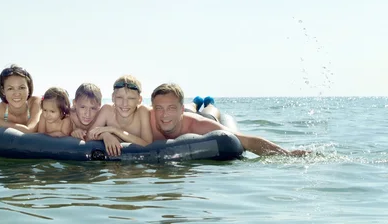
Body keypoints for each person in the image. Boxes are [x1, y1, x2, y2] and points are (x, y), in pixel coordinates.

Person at [149, 83, 309, 156]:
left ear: (180, 110)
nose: (164, 115)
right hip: (185, 113)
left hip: (198, 119)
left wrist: (287, 154)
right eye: (159, 108)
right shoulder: (146, 120)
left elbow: (246, 141)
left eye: (171, 108)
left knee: (209, 113)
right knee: (183, 110)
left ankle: (208, 103)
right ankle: (195, 102)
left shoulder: (198, 124)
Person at [87, 75, 153, 156]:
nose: (124, 104)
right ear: (113, 97)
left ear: (139, 100)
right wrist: (105, 135)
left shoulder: (142, 112)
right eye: (119, 97)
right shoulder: (107, 110)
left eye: (131, 98)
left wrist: (114, 130)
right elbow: (88, 136)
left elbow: (148, 146)